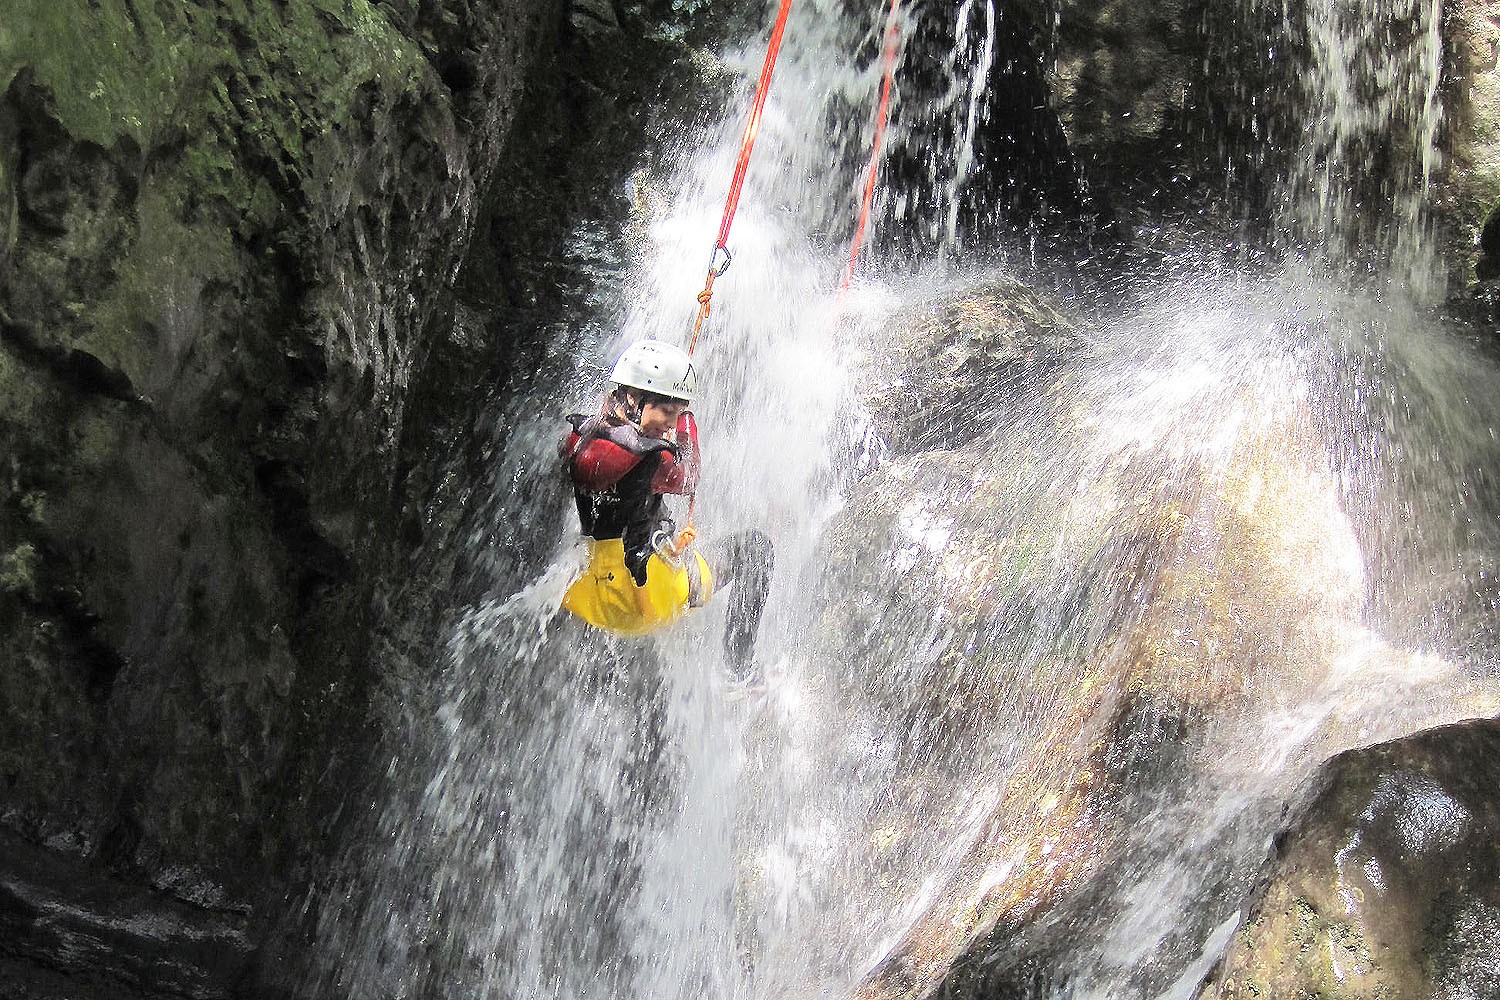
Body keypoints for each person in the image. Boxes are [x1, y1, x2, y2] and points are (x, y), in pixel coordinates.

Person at [560, 339, 774, 680]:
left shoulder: (582, 438)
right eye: (666, 411)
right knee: (756, 550)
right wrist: (688, 420)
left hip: (597, 595)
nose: (670, 424)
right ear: (633, 398)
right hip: (647, 596)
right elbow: (689, 476)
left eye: (676, 413)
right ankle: (740, 672)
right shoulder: (649, 456)